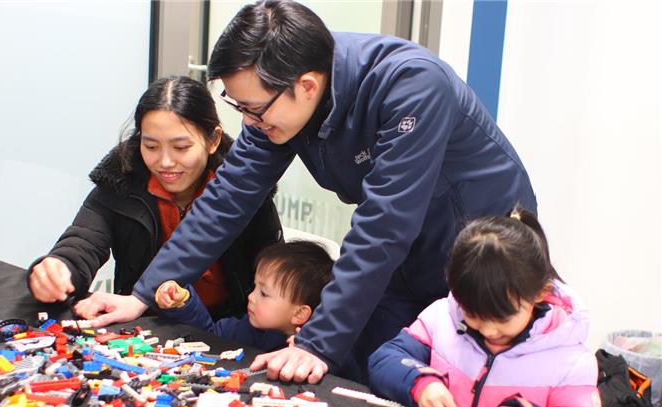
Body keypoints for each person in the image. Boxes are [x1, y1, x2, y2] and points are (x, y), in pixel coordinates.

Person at [74, 0, 536, 385]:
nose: (249, 123)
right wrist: (145, 293)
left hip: (480, 253)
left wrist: (316, 341)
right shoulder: (280, 100)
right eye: (240, 108)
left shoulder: (411, 85)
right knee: (383, 373)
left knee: (475, 381)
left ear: (307, 86)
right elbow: (228, 195)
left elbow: (384, 224)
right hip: (401, 254)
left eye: (254, 109)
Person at [28, 75, 282, 320]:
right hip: (140, 328)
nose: (165, 162)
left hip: (228, 332)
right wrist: (60, 269)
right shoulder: (119, 183)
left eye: (181, 147)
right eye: (151, 146)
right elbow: (83, 242)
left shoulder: (243, 191)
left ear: (213, 140)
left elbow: (277, 275)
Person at [367, 209, 600, 407]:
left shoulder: (571, 362)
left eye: (502, 318)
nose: (489, 332)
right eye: (473, 314)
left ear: (540, 293)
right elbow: (384, 359)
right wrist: (422, 385)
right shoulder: (441, 319)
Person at [155, 240, 333, 351]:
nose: (251, 297)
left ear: (299, 314)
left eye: (263, 293)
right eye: (254, 287)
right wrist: (184, 303)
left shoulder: (317, 350)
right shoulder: (244, 329)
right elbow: (209, 336)